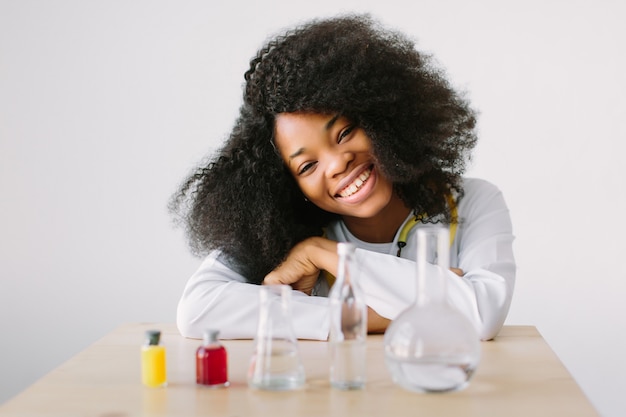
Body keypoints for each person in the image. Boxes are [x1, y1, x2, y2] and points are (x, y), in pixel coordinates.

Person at [170, 14, 515, 342]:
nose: (337, 164)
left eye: (345, 132)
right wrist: (416, 307)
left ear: (383, 119)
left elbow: (481, 313)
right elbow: (198, 309)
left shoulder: (473, 202)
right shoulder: (277, 233)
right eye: (307, 167)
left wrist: (324, 253)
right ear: (289, 186)